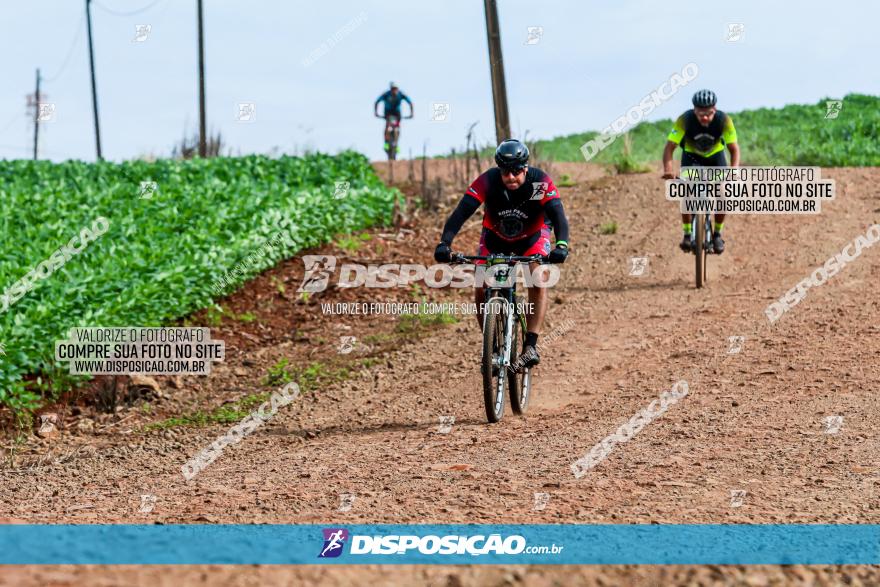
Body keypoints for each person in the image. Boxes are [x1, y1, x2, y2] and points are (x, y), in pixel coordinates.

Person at [434, 139, 570, 369]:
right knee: (480, 286)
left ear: (525, 168)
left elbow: (557, 213)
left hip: (532, 237)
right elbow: (461, 212)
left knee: (536, 277)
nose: (511, 177)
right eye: (506, 172)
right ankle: (491, 347)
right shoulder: (488, 181)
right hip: (495, 238)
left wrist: (562, 244)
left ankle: (530, 345)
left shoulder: (539, 181)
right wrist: (444, 243)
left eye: (517, 171)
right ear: (500, 170)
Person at [662, 89, 740, 254]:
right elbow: (670, 147)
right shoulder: (685, 119)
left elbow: (734, 149)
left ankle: (717, 234)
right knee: (687, 193)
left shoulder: (724, 120)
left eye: (709, 113)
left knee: (722, 194)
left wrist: (734, 171)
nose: (705, 117)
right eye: (700, 113)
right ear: (694, 110)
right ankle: (687, 234)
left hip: (715, 158)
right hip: (691, 158)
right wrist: (668, 170)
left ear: (715, 109)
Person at [373, 82, 413, 153]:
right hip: (388, 112)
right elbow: (377, 102)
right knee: (387, 126)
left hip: (397, 113)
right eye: (393, 89)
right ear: (390, 89)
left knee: (397, 128)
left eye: (396, 89)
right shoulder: (386, 94)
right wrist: (376, 113)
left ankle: (396, 144)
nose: (394, 90)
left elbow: (410, 103)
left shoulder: (401, 94)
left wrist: (411, 113)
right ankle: (386, 143)